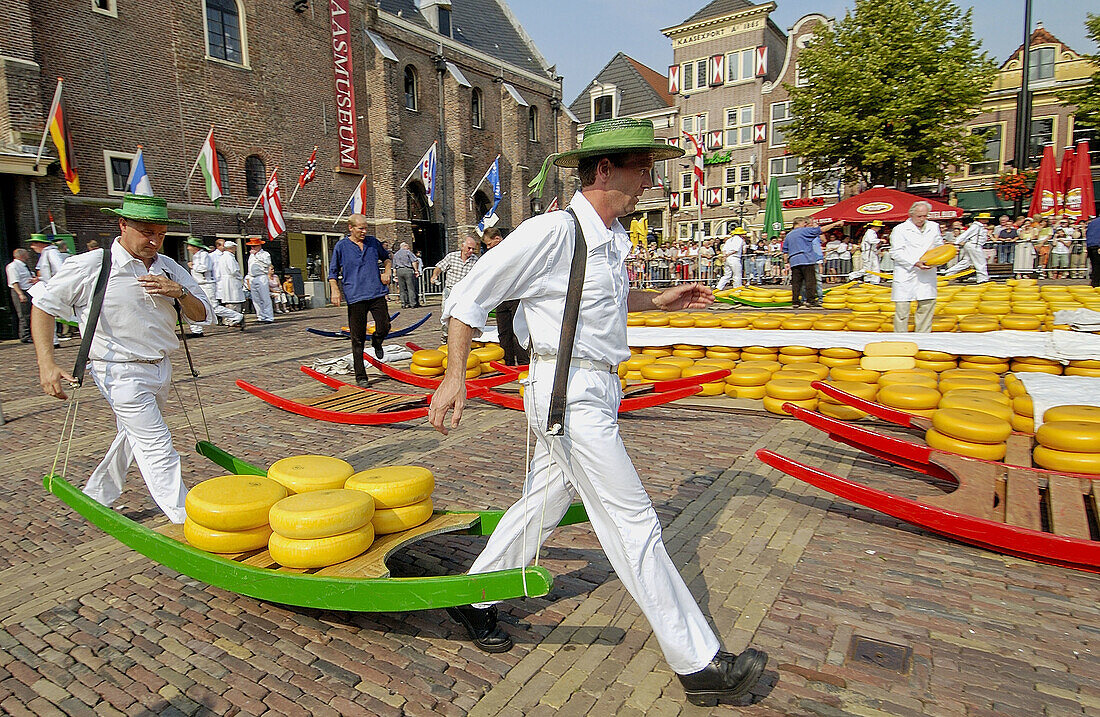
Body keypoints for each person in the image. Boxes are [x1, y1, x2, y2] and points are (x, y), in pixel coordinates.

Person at [428, 117, 767, 707]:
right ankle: (699, 662)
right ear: (604, 170)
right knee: (634, 524)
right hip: (568, 395)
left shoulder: (611, 238)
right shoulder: (552, 232)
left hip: (596, 391)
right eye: (642, 168)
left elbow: (601, 298)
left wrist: (657, 298)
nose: (650, 180)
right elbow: (468, 297)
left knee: (543, 504)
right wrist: (454, 376)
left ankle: (474, 593)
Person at [29, 194, 213, 523]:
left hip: (160, 366)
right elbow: (42, 304)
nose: (154, 240)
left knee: (133, 434)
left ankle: (96, 496)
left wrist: (179, 292)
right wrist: (47, 364)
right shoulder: (95, 264)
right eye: (146, 231)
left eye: (160, 233)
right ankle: (185, 518)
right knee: (156, 442)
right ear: (123, 225)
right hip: (118, 371)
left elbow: (203, 315)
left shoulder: (169, 266)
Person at [328, 214, 392, 387]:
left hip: (376, 292)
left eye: (365, 228)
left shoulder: (372, 242)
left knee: (384, 325)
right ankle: (361, 376)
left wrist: (387, 271)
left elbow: (386, 258)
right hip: (355, 295)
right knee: (357, 338)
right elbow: (332, 272)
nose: (364, 231)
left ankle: (377, 341)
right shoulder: (341, 246)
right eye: (360, 228)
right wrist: (335, 290)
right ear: (351, 228)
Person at [890, 201, 942, 333]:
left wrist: (938, 258)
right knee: (902, 310)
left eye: (925, 216)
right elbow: (896, 252)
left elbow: (939, 246)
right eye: (919, 216)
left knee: (926, 306)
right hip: (906, 272)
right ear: (911, 214)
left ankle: (923, 337)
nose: (922, 219)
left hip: (927, 273)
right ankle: (900, 339)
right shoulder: (900, 229)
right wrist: (914, 262)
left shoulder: (934, 227)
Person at [481, 228, 528, 365]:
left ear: (497, 239)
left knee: (517, 331)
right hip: (501, 297)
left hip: (515, 295)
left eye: (489, 244)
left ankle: (524, 363)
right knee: (503, 332)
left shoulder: (512, 249)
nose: (488, 248)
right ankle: (507, 363)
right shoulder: (492, 255)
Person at [185, 237, 242, 334]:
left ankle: (237, 316)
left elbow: (205, 267)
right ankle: (197, 330)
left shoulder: (204, 255)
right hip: (198, 284)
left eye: (190, 246)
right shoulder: (196, 256)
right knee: (194, 305)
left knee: (214, 308)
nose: (188, 248)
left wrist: (193, 266)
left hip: (206, 285)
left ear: (195, 247)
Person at [783, 217, 842, 307]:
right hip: (806, 259)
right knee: (810, 281)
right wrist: (835, 224)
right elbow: (821, 229)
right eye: (804, 223)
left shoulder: (788, 235)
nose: (806, 225)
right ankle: (810, 300)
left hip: (794, 261)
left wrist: (786, 262)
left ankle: (795, 301)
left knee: (796, 282)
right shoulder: (804, 231)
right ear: (799, 224)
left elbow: (785, 251)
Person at [431, 236, 479, 341]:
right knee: (446, 314)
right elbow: (439, 267)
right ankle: (445, 335)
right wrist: (435, 275)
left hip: (465, 293)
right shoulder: (452, 257)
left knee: (463, 315)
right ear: (462, 246)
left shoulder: (475, 260)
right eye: (469, 248)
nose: (471, 251)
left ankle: (460, 336)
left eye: (473, 249)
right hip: (450, 290)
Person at [950, 212, 991, 283]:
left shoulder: (979, 226)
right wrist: (956, 241)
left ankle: (949, 272)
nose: (987, 220)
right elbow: (967, 234)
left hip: (972, 245)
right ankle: (982, 279)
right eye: (985, 219)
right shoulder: (976, 226)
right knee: (980, 262)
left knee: (966, 261)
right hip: (974, 245)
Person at [7, 248, 34, 342]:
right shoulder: (13, 266)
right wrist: (20, 294)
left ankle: (31, 334)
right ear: (22, 256)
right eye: (26, 254)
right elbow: (14, 282)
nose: (28, 255)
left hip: (29, 290)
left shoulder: (24, 266)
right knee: (24, 314)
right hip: (20, 291)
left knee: (30, 313)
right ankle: (25, 336)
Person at [245, 237, 274, 323]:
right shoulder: (251, 255)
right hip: (252, 277)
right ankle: (261, 316)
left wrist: (256, 255)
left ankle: (269, 316)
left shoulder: (265, 254)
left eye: (255, 246)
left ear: (259, 245)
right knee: (256, 299)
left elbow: (268, 263)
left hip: (261, 276)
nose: (253, 248)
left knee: (264, 297)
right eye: (252, 246)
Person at [215, 240, 246, 317]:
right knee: (234, 301)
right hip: (232, 281)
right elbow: (234, 270)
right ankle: (234, 319)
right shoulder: (229, 258)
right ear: (231, 248)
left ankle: (229, 319)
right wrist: (240, 277)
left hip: (226, 281)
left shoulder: (222, 257)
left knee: (229, 301)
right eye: (234, 248)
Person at [392, 241, 420, 308]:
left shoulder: (396, 254)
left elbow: (394, 266)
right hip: (408, 270)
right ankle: (413, 303)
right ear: (405, 246)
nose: (409, 248)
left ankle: (404, 303)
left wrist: (395, 275)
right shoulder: (408, 252)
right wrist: (416, 270)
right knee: (411, 287)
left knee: (402, 288)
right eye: (408, 246)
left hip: (399, 271)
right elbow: (414, 261)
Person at [1087, 215, 1100, 287]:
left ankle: (1094, 284)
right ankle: (1097, 285)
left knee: (1095, 266)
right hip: (1098, 245)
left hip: (1091, 246)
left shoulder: (1092, 222)